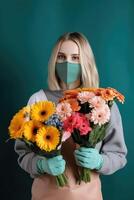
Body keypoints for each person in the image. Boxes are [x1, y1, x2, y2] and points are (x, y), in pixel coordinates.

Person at [14, 32, 127, 200]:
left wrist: (100, 162)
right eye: (61, 57)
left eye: (75, 58)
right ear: (54, 61)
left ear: (86, 61)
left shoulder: (102, 103)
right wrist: (41, 164)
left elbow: (119, 155)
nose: (67, 63)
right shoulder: (38, 100)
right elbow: (23, 153)